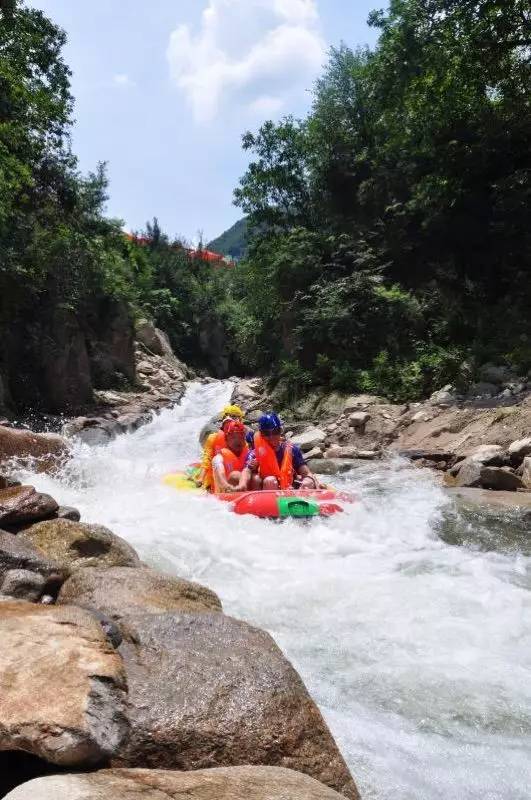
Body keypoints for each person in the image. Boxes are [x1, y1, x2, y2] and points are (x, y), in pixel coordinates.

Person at [241, 413, 321, 490]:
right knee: (270, 481)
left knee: (308, 482)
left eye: (276, 431)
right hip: (267, 489)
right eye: (267, 433)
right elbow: (246, 471)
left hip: (290, 487)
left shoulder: (292, 449)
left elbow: (306, 472)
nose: (272, 436)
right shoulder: (255, 453)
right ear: (261, 434)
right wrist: (243, 484)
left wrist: (312, 481)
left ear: (281, 431)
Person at [197, 404, 244, 490]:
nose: (228, 418)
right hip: (217, 480)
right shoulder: (213, 438)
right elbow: (207, 459)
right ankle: (222, 488)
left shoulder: (244, 440)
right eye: (226, 416)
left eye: (233, 416)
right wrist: (201, 478)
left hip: (238, 478)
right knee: (217, 459)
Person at [211, 420, 249, 494]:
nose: (237, 441)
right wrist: (226, 486)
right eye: (233, 437)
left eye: (241, 436)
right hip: (226, 493)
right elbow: (220, 472)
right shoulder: (219, 457)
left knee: (255, 478)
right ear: (226, 439)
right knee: (235, 475)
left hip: (246, 492)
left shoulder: (249, 454)